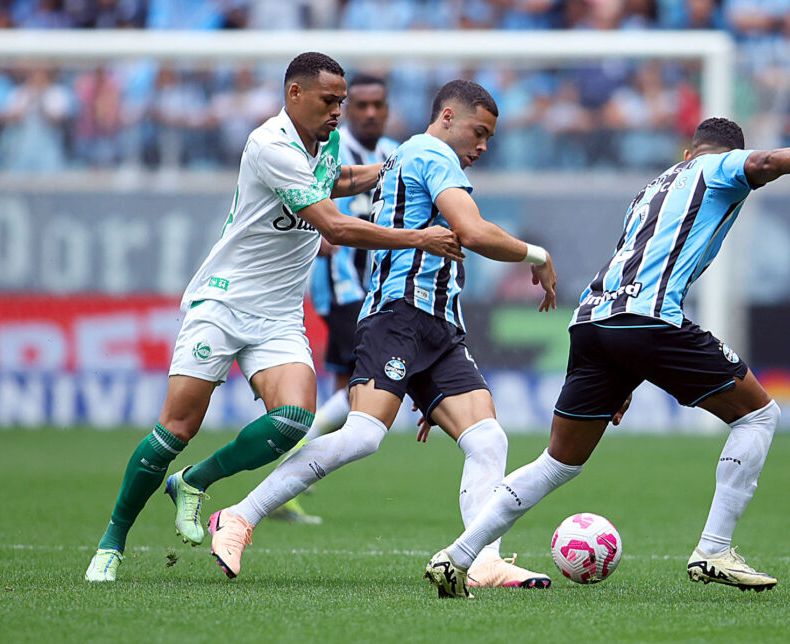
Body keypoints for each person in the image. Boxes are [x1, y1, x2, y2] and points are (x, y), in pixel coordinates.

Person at [425, 118, 790, 598]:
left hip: (594, 321)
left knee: (558, 461)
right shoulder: (717, 170)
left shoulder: (651, 189)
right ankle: (714, 551)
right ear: (721, 156)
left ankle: (458, 556)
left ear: (685, 151)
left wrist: (626, 378)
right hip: (650, 318)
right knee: (759, 415)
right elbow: (765, 162)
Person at [84, 52, 463, 582]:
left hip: (280, 312)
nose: (339, 112)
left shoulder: (324, 144)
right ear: (295, 95)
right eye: (329, 101)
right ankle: (112, 541)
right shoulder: (271, 145)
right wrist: (418, 237)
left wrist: (392, 169)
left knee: (294, 420)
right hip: (224, 299)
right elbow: (334, 225)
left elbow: (339, 178)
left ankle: (193, 482)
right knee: (177, 427)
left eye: (342, 102)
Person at [207, 80, 559, 591]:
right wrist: (539, 256)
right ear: (445, 118)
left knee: (487, 439)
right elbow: (474, 232)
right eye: (478, 133)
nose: (483, 146)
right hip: (398, 316)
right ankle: (239, 516)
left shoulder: (412, 157)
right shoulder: (432, 153)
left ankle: (483, 559)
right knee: (363, 435)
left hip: (438, 327)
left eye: (489, 138)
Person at [270, 74, 399, 524]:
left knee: (351, 390)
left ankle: (287, 479)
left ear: (386, 108)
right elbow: (299, 200)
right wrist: (317, 231)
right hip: (342, 287)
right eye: (358, 104)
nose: (367, 112)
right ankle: (289, 471)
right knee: (364, 387)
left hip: (380, 287)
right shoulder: (329, 146)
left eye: (375, 104)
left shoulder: (393, 154)